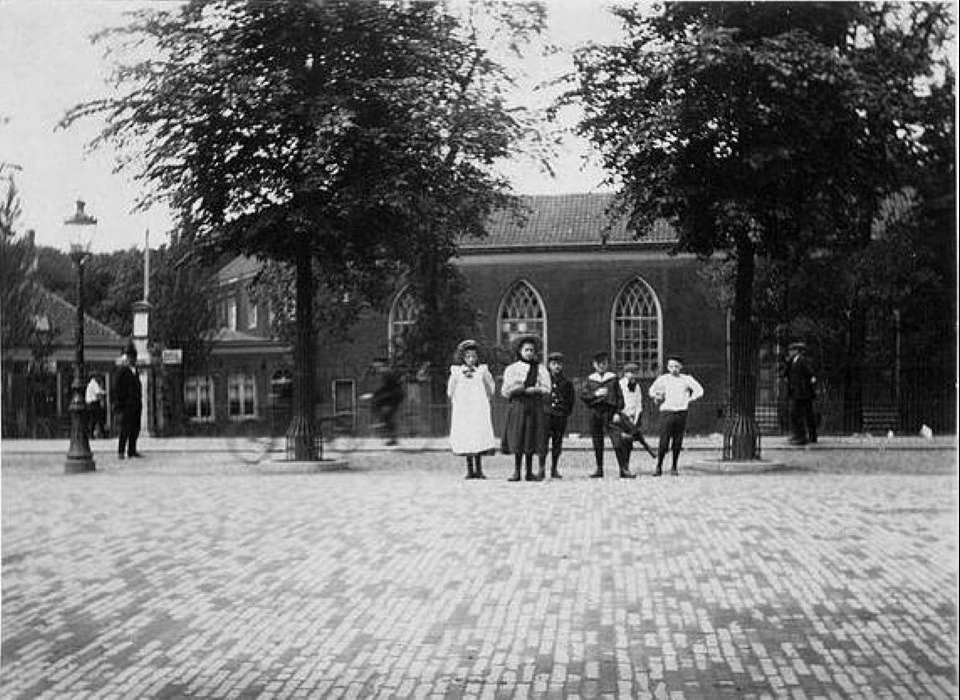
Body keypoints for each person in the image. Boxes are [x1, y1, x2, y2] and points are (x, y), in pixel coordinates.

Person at [501, 335, 551, 482]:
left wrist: (536, 390)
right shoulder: (512, 369)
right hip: (518, 405)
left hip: (534, 405)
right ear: (520, 351)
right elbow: (504, 391)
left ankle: (529, 471)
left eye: (531, 350)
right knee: (518, 436)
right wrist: (517, 388)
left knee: (530, 436)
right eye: (526, 350)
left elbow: (547, 388)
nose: (529, 353)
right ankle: (517, 471)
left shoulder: (540, 369)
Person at [447, 340, 497, 479]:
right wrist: (459, 401)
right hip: (464, 409)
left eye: (473, 356)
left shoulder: (482, 370)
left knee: (478, 435)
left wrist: (483, 399)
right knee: (467, 436)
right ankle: (470, 469)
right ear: (463, 357)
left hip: (478, 408)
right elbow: (450, 390)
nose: (471, 359)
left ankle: (479, 469)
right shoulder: (456, 372)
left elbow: (491, 387)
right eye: (468, 356)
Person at [580, 350, 634, 479]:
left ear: (607, 364)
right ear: (594, 365)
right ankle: (599, 469)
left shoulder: (613, 378)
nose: (601, 366)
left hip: (610, 413)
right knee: (597, 441)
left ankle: (623, 469)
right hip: (595, 412)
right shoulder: (590, 379)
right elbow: (583, 395)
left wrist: (617, 412)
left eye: (604, 363)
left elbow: (620, 397)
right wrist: (595, 394)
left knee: (617, 441)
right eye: (599, 364)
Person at [648, 355, 704, 476]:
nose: (674, 369)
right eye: (671, 366)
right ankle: (659, 466)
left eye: (676, 367)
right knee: (664, 440)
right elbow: (651, 391)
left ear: (681, 367)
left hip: (681, 412)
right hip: (667, 412)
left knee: (677, 440)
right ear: (668, 367)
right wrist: (657, 396)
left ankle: (674, 466)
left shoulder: (686, 379)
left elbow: (699, 390)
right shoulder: (663, 379)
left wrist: (690, 399)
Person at [538, 351, 575, 480]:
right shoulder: (543, 380)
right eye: (554, 364)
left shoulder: (567, 382)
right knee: (543, 443)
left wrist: (564, 413)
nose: (557, 367)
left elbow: (571, 401)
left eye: (559, 364)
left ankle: (554, 469)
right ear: (549, 365)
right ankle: (541, 468)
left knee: (557, 443)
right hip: (546, 416)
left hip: (559, 416)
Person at [617, 362, 657, 463]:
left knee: (629, 441)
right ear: (625, 373)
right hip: (623, 415)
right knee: (624, 441)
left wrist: (636, 417)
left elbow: (639, 403)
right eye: (630, 373)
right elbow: (618, 402)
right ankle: (624, 463)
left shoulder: (637, 386)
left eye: (635, 373)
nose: (633, 375)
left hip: (634, 416)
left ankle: (626, 464)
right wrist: (625, 415)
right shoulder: (620, 385)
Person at [113, 342, 143, 459]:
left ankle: (132, 450)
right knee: (125, 429)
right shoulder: (122, 371)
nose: (132, 359)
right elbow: (118, 388)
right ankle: (121, 451)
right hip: (126, 405)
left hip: (135, 405)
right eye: (130, 357)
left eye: (133, 357)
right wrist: (119, 404)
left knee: (135, 428)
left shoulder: (135, 371)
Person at [785, 341, 818, 445]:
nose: (789, 352)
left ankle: (802, 436)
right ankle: (800, 435)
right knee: (802, 414)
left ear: (796, 351)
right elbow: (788, 374)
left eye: (791, 350)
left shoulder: (802, 360)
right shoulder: (792, 361)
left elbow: (810, 374)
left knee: (799, 414)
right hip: (797, 393)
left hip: (803, 393)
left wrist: (810, 386)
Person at [370, 359, 405, 446]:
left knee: (386, 412)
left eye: (376, 366)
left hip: (394, 394)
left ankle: (383, 425)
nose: (376, 369)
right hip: (394, 394)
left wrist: (376, 394)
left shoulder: (386, 372)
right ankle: (385, 427)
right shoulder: (386, 372)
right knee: (387, 414)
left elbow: (387, 387)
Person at [85, 374, 106, 439]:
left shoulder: (90, 384)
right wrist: (104, 394)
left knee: (93, 419)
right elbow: (98, 393)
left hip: (89, 404)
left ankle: (92, 434)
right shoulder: (94, 383)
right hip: (93, 404)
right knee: (97, 419)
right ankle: (101, 433)